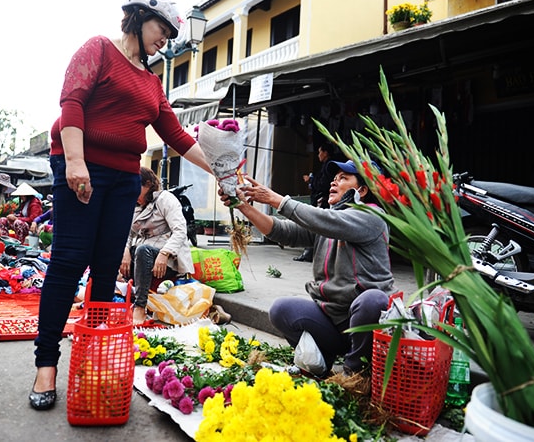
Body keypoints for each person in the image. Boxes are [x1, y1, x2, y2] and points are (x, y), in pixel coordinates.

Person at [29, 0, 212, 411]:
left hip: (125, 180)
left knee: (108, 265)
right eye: (160, 29)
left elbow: (179, 138)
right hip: (82, 169)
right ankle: (46, 363)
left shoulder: (151, 81)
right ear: (136, 18)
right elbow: (71, 102)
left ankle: (91, 353)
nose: (164, 40)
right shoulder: (99, 49)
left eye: (169, 34)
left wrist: (220, 170)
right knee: (70, 260)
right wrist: (75, 163)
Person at [220, 159, 396, 376]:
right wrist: (243, 206)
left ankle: (355, 374)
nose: (334, 182)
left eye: (343, 178)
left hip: (362, 322)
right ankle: (319, 363)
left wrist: (275, 199)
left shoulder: (372, 217)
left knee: (373, 300)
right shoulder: (328, 219)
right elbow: (284, 231)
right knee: (281, 310)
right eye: (334, 178)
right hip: (333, 320)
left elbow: (325, 219)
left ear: (362, 190)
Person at [118, 167, 194, 324]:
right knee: (112, 247)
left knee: (143, 250)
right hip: (142, 254)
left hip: (166, 259)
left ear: (148, 184)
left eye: (135, 186)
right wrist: (125, 250)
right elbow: (126, 232)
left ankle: (140, 307)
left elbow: (180, 231)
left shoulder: (166, 199)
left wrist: (165, 253)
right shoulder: (134, 204)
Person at [294, 142, 335, 262]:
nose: (318, 155)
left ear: (325, 153)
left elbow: (324, 184)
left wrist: (311, 181)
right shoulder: (326, 166)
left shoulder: (329, 166)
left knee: (315, 225)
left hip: (324, 202)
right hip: (323, 201)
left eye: (320, 152)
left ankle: (309, 253)